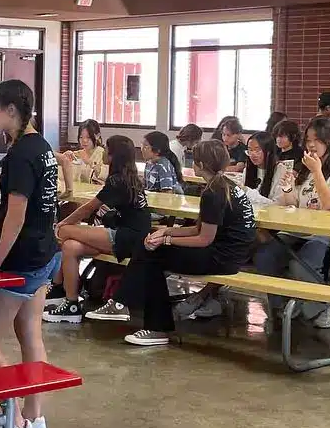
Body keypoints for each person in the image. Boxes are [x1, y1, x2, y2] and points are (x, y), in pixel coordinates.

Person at [0, 79, 58, 428]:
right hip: (45, 254)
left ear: (9, 110)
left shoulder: (22, 154)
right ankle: (34, 419)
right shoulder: (44, 148)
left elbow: (16, 216)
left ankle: (15, 421)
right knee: (29, 335)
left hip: (24, 260)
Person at [118, 139, 257, 344]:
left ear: (199, 165)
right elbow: (198, 228)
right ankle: (123, 303)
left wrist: (165, 241)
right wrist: (167, 231)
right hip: (231, 254)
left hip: (223, 258)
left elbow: (203, 239)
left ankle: (152, 325)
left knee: (151, 254)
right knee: (148, 248)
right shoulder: (226, 185)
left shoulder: (213, 193)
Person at [253, 118, 330, 329]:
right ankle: (283, 306)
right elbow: (295, 204)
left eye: (317, 140)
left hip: (328, 233)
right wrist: (287, 188)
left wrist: (317, 171)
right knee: (265, 256)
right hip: (298, 230)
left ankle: (324, 304)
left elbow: (329, 203)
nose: (311, 145)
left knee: (300, 263)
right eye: (308, 139)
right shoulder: (306, 169)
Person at [44, 135, 149, 325]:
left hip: (127, 237)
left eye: (107, 149)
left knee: (65, 232)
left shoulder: (118, 180)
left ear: (113, 154)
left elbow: (87, 208)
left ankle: (57, 286)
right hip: (128, 235)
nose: (104, 152)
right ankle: (71, 304)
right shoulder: (129, 177)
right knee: (70, 247)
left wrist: (60, 225)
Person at [60, 119, 105, 192]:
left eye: (88, 137)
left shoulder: (104, 155)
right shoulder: (77, 154)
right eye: (81, 137)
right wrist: (64, 158)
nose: (84, 141)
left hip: (97, 196)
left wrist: (89, 162)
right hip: (79, 192)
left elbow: (104, 177)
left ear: (97, 136)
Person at [242, 132, 280, 199]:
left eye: (257, 150)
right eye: (250, 150)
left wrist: (247, 191)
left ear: (268, 151)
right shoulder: (247, 170)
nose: (253, 154)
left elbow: (276, 204)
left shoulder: (279, 170)